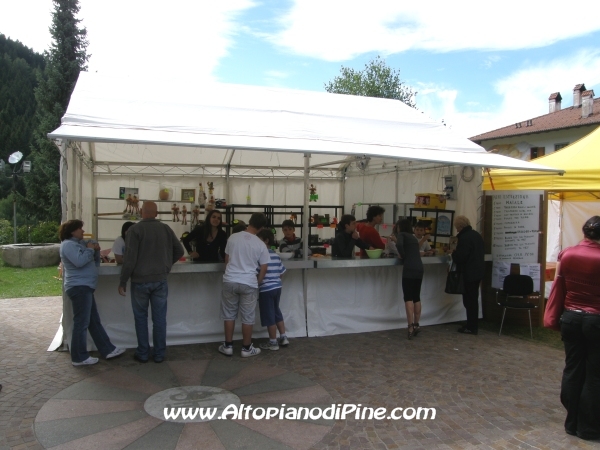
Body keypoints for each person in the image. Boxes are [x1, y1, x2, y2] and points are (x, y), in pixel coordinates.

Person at [544, 216, 600, 440]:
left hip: (571, 317)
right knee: (594, 374)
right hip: (595, 319)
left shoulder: (567, 253)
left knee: (573, 369)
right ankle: (588, 427)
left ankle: (571, 421)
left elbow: (560, 286)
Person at [118, 201, 184, 363]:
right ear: (156, 213)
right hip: (160, 279)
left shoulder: (135, 230)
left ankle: (142, 353)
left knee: (141, 318)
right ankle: (159, 354)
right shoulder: (165, 229)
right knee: (159, 319)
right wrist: (167, 265)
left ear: (141, 212)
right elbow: (180, 250)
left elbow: (130, 259)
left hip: (140, 280)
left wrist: (123, 280)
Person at [59, 220, 125, 366]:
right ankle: (79, 357)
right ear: (72, 231)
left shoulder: (79, 244)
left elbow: (94, 263)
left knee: (93, 321)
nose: (83, 231)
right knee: (81, 323)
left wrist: (95, 249)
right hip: (79, 287)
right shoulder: (68, 245)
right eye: (80, 229)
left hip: (85, 286)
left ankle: (108, 349)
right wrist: (89, 249)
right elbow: (79, 261)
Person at [219, 213, 271, 358]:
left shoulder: (233, 237)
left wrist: (229, 274)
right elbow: (264, 267)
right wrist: (257, 282)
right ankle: (246, 348)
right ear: (261, 228)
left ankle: (228, 346)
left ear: (250, 221)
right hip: (249, 282)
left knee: (229, 315)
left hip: (230, 280)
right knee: (248, 317)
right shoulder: (260, 244)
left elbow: (227, 260)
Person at [256, 229, 289, 351]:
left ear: (265, 241)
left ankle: (273, 342)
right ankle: (284, 336)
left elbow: (258, 273)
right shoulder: (276, 255)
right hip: (277, 287)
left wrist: (258, 283)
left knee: (269, 315)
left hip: (266, 289)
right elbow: (281, 272)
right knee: (276, 311)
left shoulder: (260, 256)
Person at [452, 215, 484, 335]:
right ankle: (472, 324)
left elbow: (461, 257)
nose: (457, 230)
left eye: (457, 227)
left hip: (469, 273)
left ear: (460, 226)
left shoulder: (464, 238)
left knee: (469, 301)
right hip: (478, 272)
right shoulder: (476, 235)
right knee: (473, 299)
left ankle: (471, 326)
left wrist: (453, 254)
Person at [395, 219, 425, 340]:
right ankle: (417, 324)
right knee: (416, 296)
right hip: (419, 268)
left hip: (409, 268)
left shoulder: (402, 235)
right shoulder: (413, 238)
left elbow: (398, 244)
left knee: (408, 297)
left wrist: (403, 255)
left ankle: (410, 326)